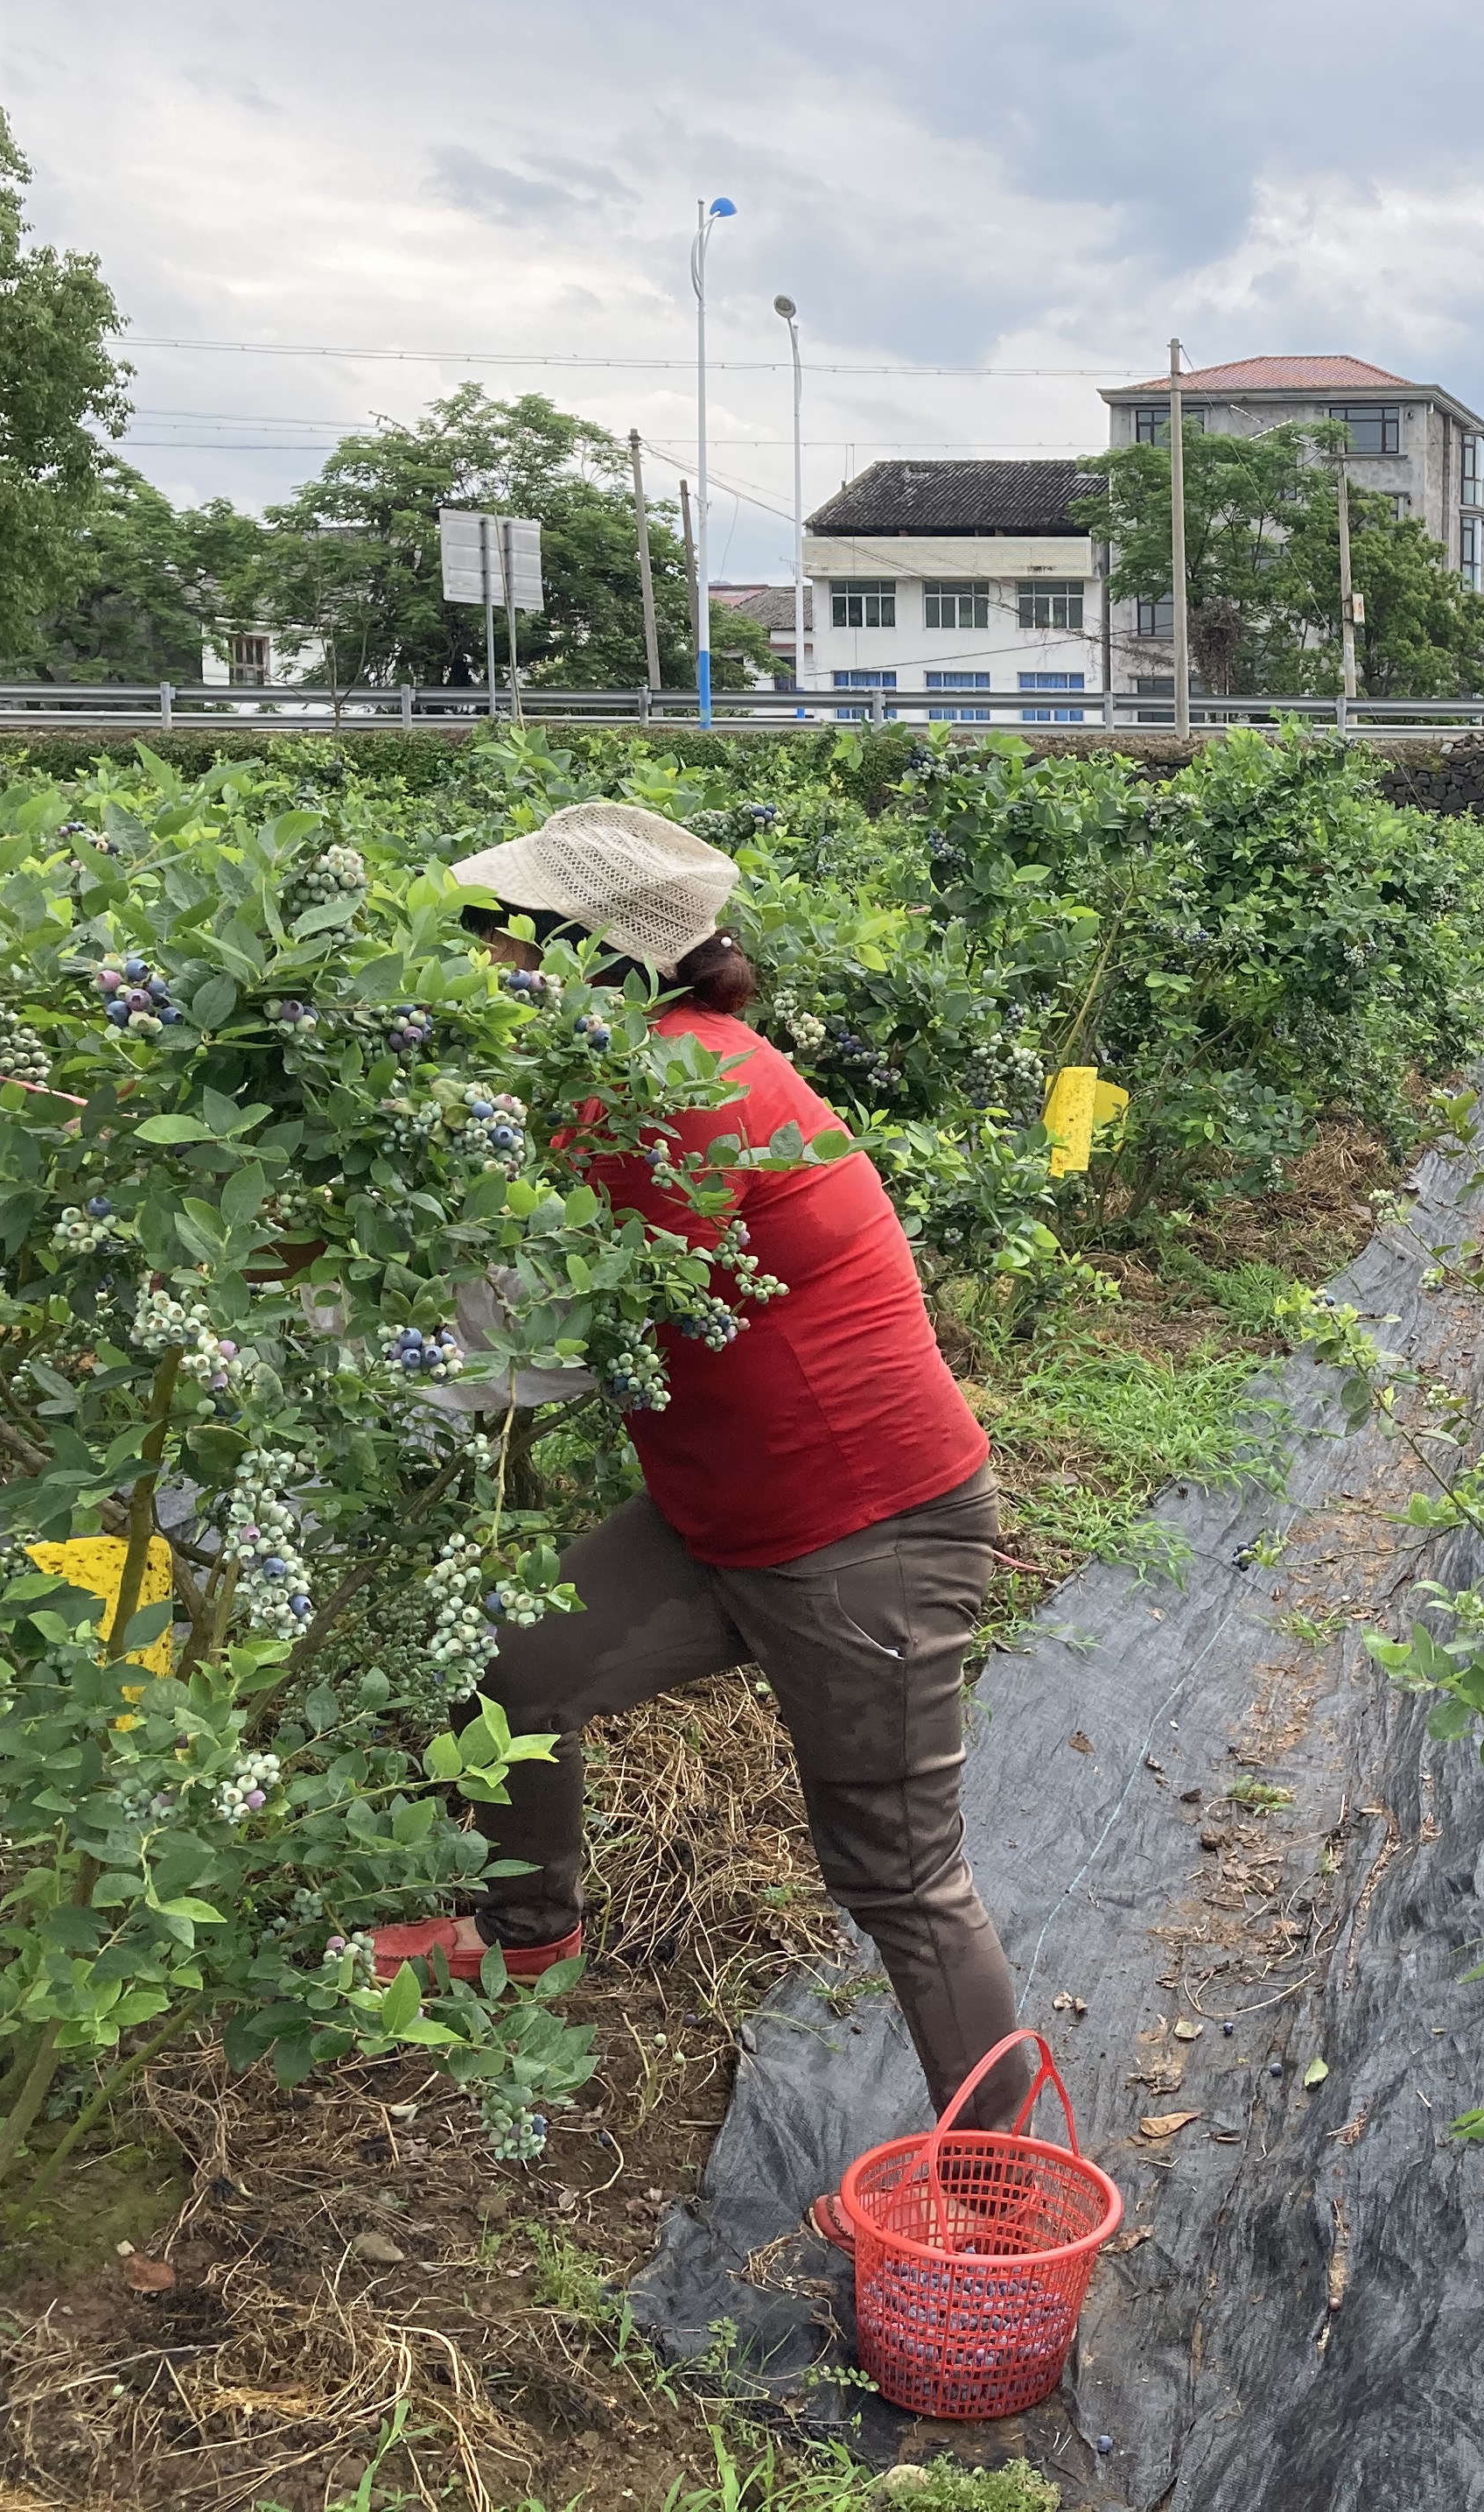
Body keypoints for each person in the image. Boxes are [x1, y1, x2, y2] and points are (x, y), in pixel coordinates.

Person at [367, 803, 1024, 2127]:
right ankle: (524, 1934)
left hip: (867, 1533)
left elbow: (541, 1342)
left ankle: (995, 2179)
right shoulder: (642, 1072)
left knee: (897, 1873)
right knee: (513, 1662)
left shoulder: (677, 1094)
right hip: (723, 1513)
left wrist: (307, 1337)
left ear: (581, 962)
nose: (477, 974)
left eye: (495, 947)